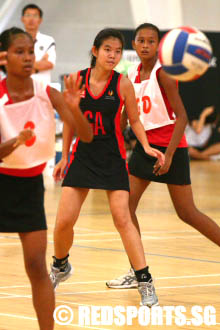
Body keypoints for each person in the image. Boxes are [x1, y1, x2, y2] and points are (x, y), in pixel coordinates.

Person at [49, 28, 165, 307]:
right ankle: (60, 266)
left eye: (116, 51)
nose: (112, 55)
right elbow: (69, 121)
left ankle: (145, 281)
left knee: (122, 219)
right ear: (95, 51)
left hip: (112, 157)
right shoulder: (76, 79)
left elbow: (135, 120)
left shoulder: (123, 84)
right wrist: (64, 156)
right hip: (82, 155)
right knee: (64, 221)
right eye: (107, 50)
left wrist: (147, 146)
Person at [106, 23, 220, 289]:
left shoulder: (165, 75)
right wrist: (115, 135)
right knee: (125, 208)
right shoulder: (131, 73)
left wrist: (168, 156)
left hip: (171, 148)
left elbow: (181, 118)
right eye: (140, 41)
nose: (145, 45)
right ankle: (138, 271)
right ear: (133, 45)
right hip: (145, 148)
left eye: (151, 41)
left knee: (187, 213)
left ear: (160, 46)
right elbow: (128, 113)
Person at [0, 27, 92, 330]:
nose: (28, 58)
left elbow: (87, 135)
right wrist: (13, 142)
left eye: (31, 52)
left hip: (28, 187)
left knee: (37, 266)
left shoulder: (47, 92)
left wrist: (75, 109)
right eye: (20, 52)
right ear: (4, 57)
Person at [21, 3, 56, 83]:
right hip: (20, 88)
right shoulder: (14, 40)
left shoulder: (48, 40)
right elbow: (11, 65)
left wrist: (23, 65)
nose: (31, 19)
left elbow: (49, 64)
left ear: (40, 20)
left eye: (35, 16)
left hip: (42, 89)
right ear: (22, 19)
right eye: (28, 15)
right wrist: (37, 66)